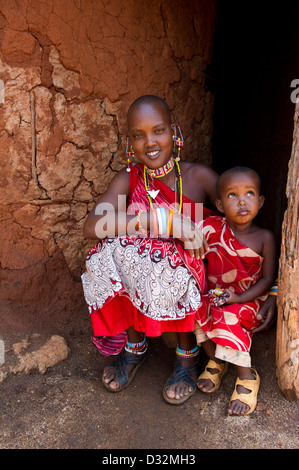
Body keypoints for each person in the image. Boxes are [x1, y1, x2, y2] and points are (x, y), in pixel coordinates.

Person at [81, 94, 219, 404]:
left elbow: (239, 215)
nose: (150, 142)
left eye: (158, 130)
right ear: (130, 142)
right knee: (106, 254)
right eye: (139, 135)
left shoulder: (198, 178)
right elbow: (92, 226)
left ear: (175, 132)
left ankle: (187, 355)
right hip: (143, 273)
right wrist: (159, 220)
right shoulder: (129, 180)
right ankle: (135, 345)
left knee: (164, 258)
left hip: (186, 272)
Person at [194, 166, 276, 415]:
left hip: (249, 299)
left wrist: (239, 297)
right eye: (232, 195)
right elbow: (190, 244)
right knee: (194, 310)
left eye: (249, 194)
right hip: (220, 294)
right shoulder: (212, 229)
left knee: (226, 315)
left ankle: (246, 375)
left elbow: (268, 279)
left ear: (260, 201)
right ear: (219, 204)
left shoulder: (265, 237)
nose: (242, 202)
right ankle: (218, 360)